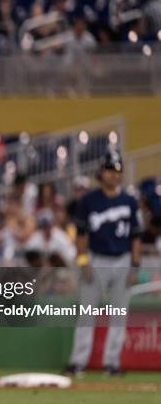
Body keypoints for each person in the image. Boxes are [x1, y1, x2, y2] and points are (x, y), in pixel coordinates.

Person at [65, 151, 142, 377]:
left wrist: (135, 266)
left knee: (119, 315)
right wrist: (82, 260)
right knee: (87, 313)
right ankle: (78, 362)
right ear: (102, 172)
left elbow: (136, 237)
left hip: (122, 259)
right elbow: (80, 234)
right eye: (110, 170)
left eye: (118, 171)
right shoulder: (89, 201)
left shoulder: (129, 201)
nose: (114, 175)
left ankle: (112, 363)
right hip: (96, 259)